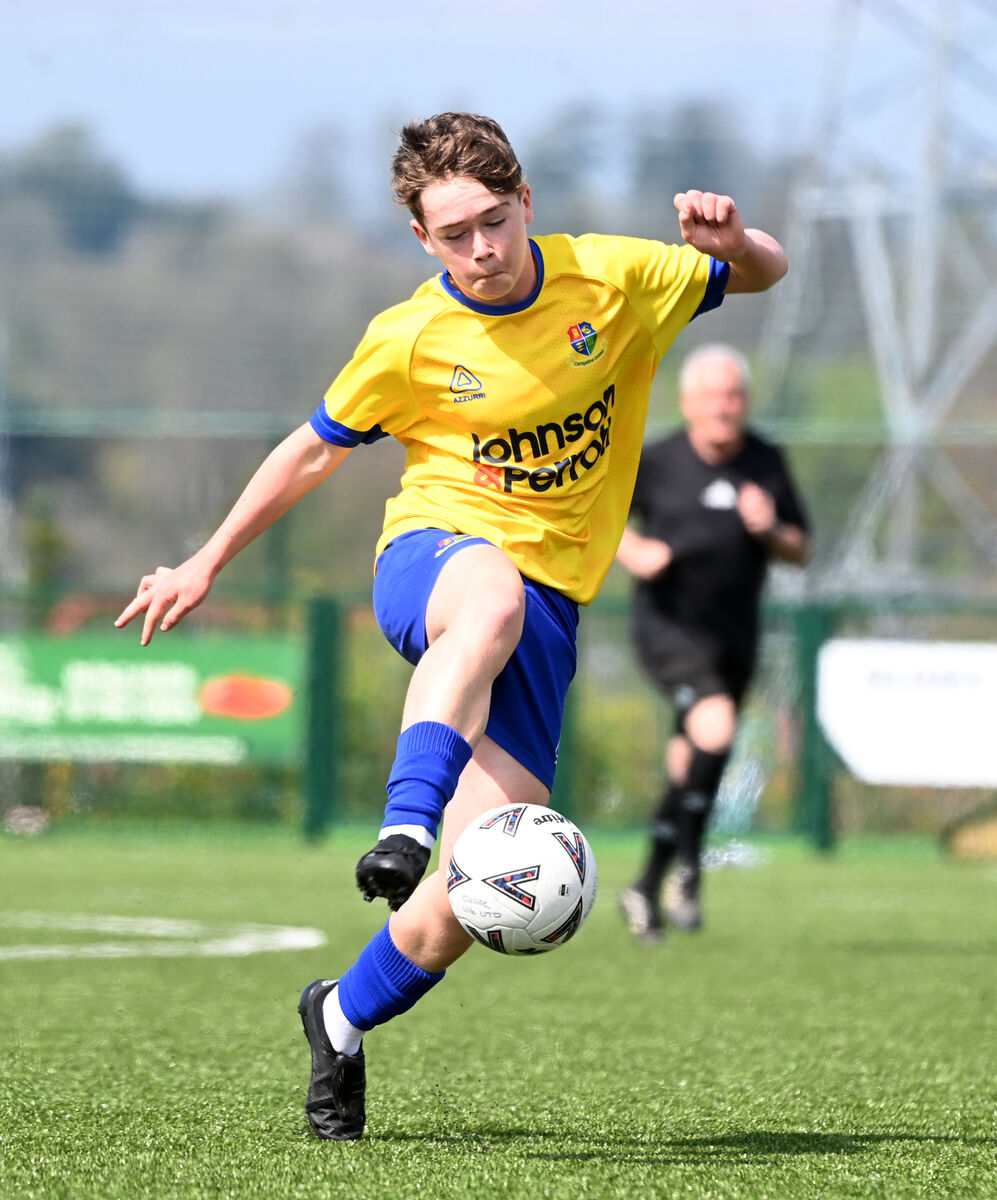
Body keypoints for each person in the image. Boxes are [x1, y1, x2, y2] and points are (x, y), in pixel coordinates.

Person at [115, 113, 788, 1140]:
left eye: (492, 221)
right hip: (435, 556)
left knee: (474, 897)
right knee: (488, 597)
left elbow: (764, 276)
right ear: (423, 243)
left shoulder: (613, 283)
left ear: (525, 203)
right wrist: (206, 561)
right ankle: (403, 822)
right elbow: (309, 451)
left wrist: (733, 245)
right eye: (454, 235)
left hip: (548, 606)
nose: (480, 249)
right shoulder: (411, 337)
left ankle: (337, 1020)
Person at [616, 343, 810, 945]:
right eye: (711, 397)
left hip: (735, 635)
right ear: (688, 402)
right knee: (717, 729)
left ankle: (660, 879)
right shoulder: (659, 461)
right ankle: (667, 878)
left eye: (732, 396)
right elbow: (598, 518)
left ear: (745, 402)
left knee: (694, 758)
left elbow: (800, 549)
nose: (723, 408)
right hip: (669, 629)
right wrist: (635, 551)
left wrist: (770, 527)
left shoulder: (766, 460)